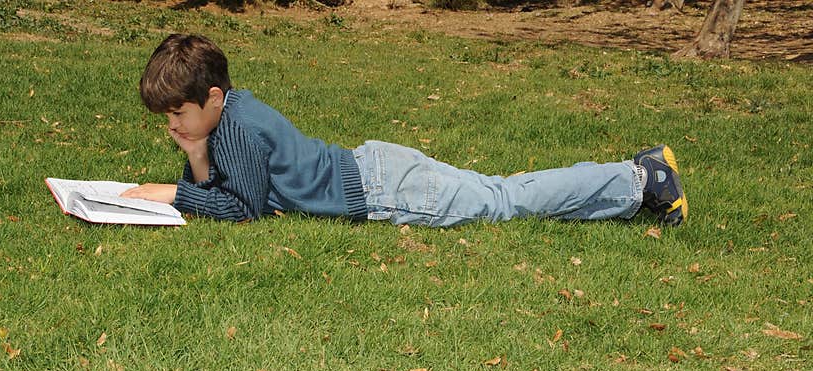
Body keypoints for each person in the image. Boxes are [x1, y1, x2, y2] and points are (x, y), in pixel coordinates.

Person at [121, 33, 688, 229]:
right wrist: (195, 152)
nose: (173, 125)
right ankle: (630, 184)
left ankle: (641, 179)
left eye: (179, 115)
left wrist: (173, 192)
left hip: (387, 191)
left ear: (212, 99)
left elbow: (239, 208)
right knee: (501, 191)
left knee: (502, 200)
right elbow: (228, 187)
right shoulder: (234, 115)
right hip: (379, 169)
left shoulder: (237, 128)